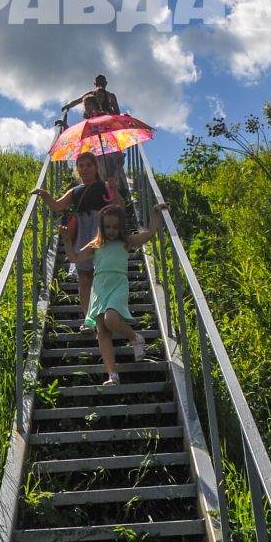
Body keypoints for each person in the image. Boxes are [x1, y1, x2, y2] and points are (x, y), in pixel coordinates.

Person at [72, 202, 163, 385]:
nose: (111, 230)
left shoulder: (126, 242)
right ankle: (112, 375)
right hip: (99, 287)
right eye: (107, 226)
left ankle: (135, 338)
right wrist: (67, 241)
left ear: (121, 227)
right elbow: (75, 258)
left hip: (118, 285)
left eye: (115, 227)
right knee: (102, 331)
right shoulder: (96, 245)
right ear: (101, 227)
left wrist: (154, 213)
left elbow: (150, 233)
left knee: (111, 320)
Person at [32, 150, 120, 322]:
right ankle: (89, 318)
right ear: (77, 170)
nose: (84, 169)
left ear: (96, 168)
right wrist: (45, 194)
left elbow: (120, 207)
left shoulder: (105, 186)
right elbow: (58, 206)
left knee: (102, 277)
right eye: (81, 165)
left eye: (88, 165)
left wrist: (114, 189)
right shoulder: (75, 191)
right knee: (85, 279)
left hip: (102, 234)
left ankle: (105, 316)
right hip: (82, 236)